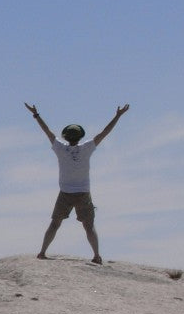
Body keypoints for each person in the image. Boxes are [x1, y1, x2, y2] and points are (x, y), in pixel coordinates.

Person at [25, 102, 129, 264]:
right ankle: (96, 255)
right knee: (89, 226)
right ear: (80, 136)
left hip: (65, 193)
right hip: (83, 193)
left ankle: (42, 252)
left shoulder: (59, 148)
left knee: (55, 223)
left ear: (65, 136)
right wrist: (118, 116)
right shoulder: (87, 148)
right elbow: (104, 132)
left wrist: (36, 114)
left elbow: (47, 131)